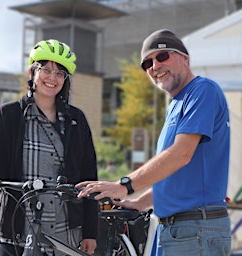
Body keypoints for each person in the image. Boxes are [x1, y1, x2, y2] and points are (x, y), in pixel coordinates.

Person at [77, 29, 231, 256]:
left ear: (185, 59)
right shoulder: (175, 105)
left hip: (195, 228)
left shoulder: (202, 91)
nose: (154, 66)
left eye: (162, 56)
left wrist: (123, 186)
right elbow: (174, 172)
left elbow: (181, 154)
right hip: (177, 229)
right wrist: (140, 202)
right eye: (147, 63)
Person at [0, 39, 98, 256]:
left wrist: (90, 232)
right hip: (18, 231)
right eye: (46, 69)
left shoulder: (76, 120)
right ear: (33, 72)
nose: (52, 78)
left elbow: (89, 176)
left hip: (66, 235)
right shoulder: (8, 115)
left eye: (60, 74)